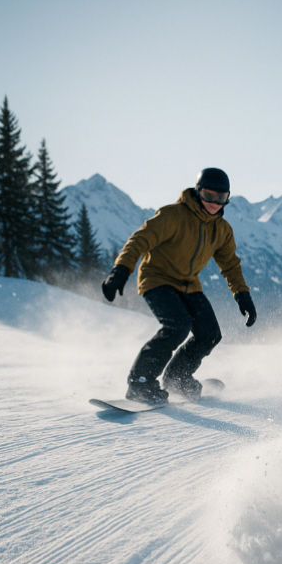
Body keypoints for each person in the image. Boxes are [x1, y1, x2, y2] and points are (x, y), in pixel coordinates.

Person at [101, 168, 257, 403]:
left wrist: (242, 295)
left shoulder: (222, 230)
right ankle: (140, 383)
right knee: (178, 326)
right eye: (209, 195)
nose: (214, 202)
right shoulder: (173, 215)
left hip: (188, 284)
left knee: (210, 334)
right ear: (198, 192)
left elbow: (230, 265)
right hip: (157, 278)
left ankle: (177, 378)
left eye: (221, 197)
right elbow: (139, 240)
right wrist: (121, 270)